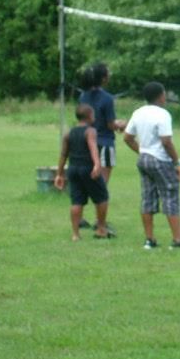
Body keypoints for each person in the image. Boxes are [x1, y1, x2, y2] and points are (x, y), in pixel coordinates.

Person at [123, 82, 180, 249]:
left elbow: (127, 138)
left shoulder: (138, 112)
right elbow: (166, 141)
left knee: (147, 198)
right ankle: (177, 240)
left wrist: (142, 151)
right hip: (160, 159)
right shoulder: (163, 114)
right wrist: (177, 162)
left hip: (143, 159)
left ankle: (149, 240)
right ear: (161, 96)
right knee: (170, 196)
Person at [78, 63, 126, 233]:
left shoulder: (82, 96)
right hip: (104, 143)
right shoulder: (107, 98)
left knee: (84, 181)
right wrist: (121, 124)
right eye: (108, 73)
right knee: (102, 184)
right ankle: (100, 222)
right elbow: (110, 124)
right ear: (103, 78)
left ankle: (79, 218)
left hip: (85, 142)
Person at [54, 104, 111, 241]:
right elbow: (93, 148)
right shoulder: (90, 131)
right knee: (102, 197)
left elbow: (63, 154)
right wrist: (97, 164)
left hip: (73, 169)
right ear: (90, 116)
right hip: (88, 168)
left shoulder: (69, 132)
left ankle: (75, 234)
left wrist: (59, 174)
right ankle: (101, 229)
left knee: (77, 201)